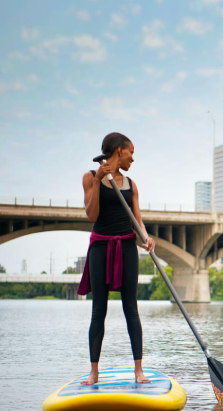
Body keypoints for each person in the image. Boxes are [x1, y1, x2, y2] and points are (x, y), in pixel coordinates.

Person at [77, 132, 156, 385]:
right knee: (98, 309)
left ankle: (138, 371)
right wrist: (99, 182)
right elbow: (92, 215)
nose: (133, 158)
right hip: (101, 247)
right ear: (119, 150)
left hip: (126, 246)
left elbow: (137, 219)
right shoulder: (91, 177)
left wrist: (146, 237)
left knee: (130, 308)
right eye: (131, 152)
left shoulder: (131, 184)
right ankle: (94, 373)